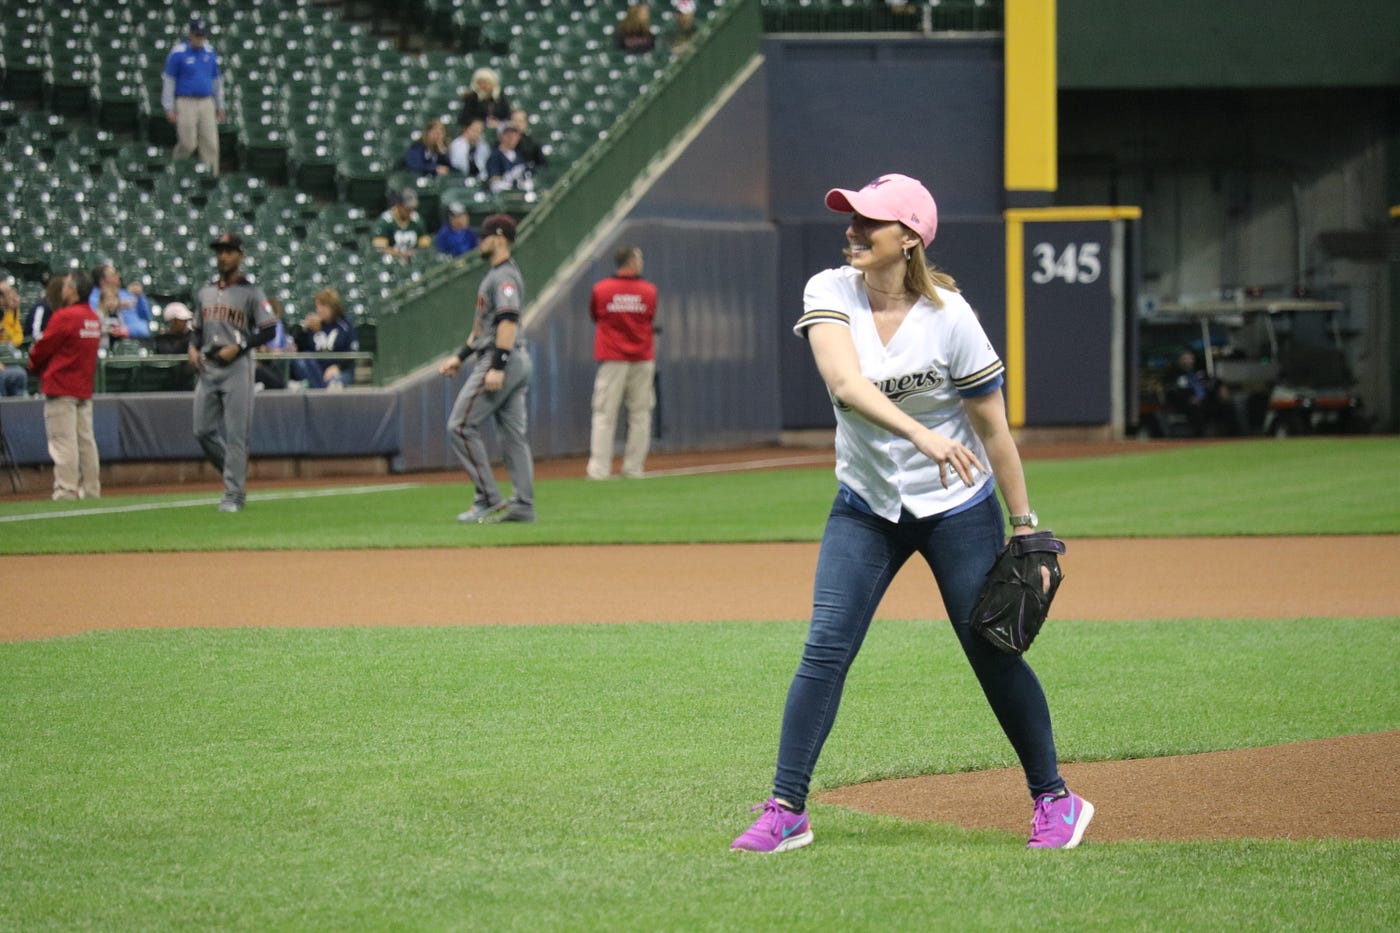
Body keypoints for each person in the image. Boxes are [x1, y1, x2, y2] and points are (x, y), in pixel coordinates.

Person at [730, 174, 1094, 853]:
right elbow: (844, 382)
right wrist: (924, 433)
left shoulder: (951, 317)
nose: (853, 228)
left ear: (910, 240)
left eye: (870, 220)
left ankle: (1056, 798)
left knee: (991, 650)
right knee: (826, 647)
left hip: (957, 508)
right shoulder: (829, 290)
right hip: (865, 505)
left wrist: (1025, 524)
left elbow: (993, 429)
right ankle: (787, 808)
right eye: (851, 215)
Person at [437, 213, 535, 524]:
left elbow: (508, 321)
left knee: (461, 426)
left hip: (502, 357)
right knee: (513, 437)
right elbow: (483, 329)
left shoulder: (503, 277)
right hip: (510, 357)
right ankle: (522, 506)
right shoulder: (495, 274)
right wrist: (461, 356)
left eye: (485, 236)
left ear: (500, 238)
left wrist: (498, 365)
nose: (480, 242)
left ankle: (488, 497)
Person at [189, 233, 278, 512]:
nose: (223, 256)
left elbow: (269, 329)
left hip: (237, 367)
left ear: (240, 255)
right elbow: (196, 328)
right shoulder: (205, 291)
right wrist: (191, 348)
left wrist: (239, 346)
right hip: (208, 365)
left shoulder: (251, 292)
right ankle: (234, 470)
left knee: (237, 434)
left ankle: (233, 495)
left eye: (228, 251)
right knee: (202, 430)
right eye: (219, 251)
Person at [27, 271, 102, 500]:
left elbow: (43, 348)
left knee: (63, 442)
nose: (63, 289)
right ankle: (91, 490)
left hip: (61, 387)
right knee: (86, 441)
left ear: (74, 290)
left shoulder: (65, 316)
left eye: (67, 285)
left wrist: (32, 365)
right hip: (83, 387)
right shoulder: (93, 317)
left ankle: (66, 490)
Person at [586, 246, 658, 480]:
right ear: (632, 262)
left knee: (604, 414)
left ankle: (599, 471)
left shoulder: (602, 290)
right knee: (640, 414)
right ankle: (634, 468)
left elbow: (595, 315)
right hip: (642, 358)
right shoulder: (649, 291)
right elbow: (649, 316)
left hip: (612, 360)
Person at [161, 15, 225, 176]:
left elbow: (217, 81)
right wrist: (169, 107)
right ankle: (176, 172)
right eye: (197, 35)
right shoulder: (178, 53)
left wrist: (220, 105)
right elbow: (169, 81)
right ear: (190, 34)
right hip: (186, 101)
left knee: (211, 144)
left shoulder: (210, 53)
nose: (200, 39)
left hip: (206, 102)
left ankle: (210, 177)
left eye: (202, 35)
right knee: (188, 143)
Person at [290, 288, 357, 390]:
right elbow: (300, 349)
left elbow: (352, 353)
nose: (319, 310)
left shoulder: (345, 325)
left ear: (333, 307)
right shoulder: (313, 325)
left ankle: (321, 392)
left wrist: (337, 367)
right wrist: (304, 330)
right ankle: (321, 391)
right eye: (317, 306)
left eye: (323, 306)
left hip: (340, 370)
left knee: (334, 383)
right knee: (302, 361)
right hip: (316, 370)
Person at [89, 263, 152, 339]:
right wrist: (118, 304)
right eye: (113, 275)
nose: (118, 276)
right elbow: (95, 315)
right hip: (113, 337)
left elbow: (146, 316)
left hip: (140, 336)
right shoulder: (94, 296)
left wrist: (140, 297)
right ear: (103, 281)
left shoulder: (128, 293)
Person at [371, 189, 430, 261]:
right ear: (399, 205)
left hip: (414, 260)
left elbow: (425, 246)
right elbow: (379, 249)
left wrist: (415, 253)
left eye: (413, 209)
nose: (410, 212)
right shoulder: (385, 221)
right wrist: (400, 254)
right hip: (391, 261)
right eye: (407, 209)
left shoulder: (417, 220)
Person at [0, 281, 31, 396]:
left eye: (3, 295)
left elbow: (18, 335)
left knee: (19, 374)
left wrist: (9, 340)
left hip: (8, 356)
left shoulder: (11, 311)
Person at [485, 123, 531, 194]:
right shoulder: (495, 155)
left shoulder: (518, 155)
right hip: (502, 193)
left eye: (514, 134)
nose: (512, 137)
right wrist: (509, 179)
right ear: (500, 136)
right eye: (508, 134)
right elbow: (494, 179)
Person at [508, 109, 548, 174]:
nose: (517, 124)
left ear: (525, 123)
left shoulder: (533, 143)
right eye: (514, 121)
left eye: (520, 121)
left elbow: (542, 165)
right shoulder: (501, 143)